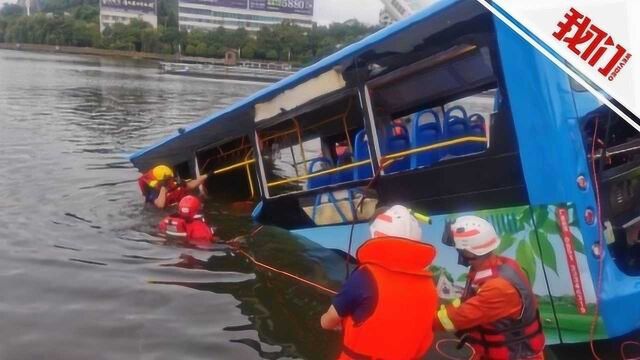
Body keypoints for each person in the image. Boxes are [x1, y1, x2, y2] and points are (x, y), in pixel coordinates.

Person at [320, 205, 438, 360]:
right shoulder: (429, 284)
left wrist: (328, 320)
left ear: (376, 235)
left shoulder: (365, 276)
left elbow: (327, 322)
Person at [436, 215, 545, 360]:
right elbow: (467, 301)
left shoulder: (498, 289)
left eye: (458, 248)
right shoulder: (499, 266)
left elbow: (456, 319)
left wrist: (422, 321)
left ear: (468, 252)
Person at [138, 165, 208, 209]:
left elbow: (192, 185)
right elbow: (160, 205)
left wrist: (206, 175)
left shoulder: (174, 183)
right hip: (165, 214)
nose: (171, 180)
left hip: (180, 207)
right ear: (161, 181)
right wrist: (163, 190)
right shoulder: (154, 191)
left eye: (170, 178)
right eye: (168, 179)